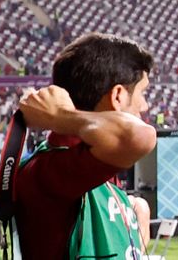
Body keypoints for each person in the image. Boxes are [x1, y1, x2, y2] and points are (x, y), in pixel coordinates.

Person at [11, 32, 157, 259]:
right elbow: (140, 136)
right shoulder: (53, 168)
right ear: (118, 96)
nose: (145, 105)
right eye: (142, 92)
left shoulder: (86, 160)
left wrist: (130, 220)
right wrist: (60, 115)